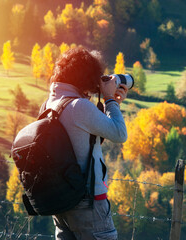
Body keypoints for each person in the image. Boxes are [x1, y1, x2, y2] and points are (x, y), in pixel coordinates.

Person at [40, 46, 128, 239]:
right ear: (87, 77)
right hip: (88, 202)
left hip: (60, 200)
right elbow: (120, 134)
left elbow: (83, 143)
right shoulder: (79, 106)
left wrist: (108, 106)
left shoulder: (47, 105)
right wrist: (110, 100)